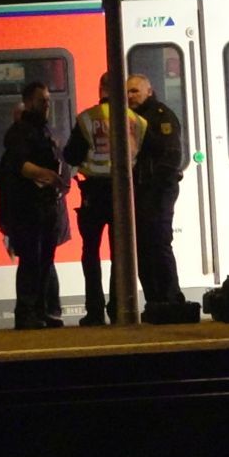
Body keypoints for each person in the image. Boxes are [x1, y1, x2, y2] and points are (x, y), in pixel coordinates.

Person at [63, 73, 147, 326]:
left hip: (94, 192)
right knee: (120, 253)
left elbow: (71, 155)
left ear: (101, 88)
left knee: (90, 252)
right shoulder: (138, 120)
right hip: (124, 193)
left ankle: (95, 310)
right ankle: (119, 307)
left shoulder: (88, 118)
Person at [0, 82, 65, 330]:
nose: (47, 104)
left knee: (45, 261)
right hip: (27, 206)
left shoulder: (43, 130)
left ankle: (41, 310)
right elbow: (20, 165)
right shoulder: (20, 132)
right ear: (28, 102)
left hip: (46, 204)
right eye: (41, 100)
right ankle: (26, 312)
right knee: (31, 260)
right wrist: (48, 175)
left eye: (48, 99)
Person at [126, 74, 186, 309]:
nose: (130, 96)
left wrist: (155, 187)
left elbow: (171, 154)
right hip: (139, 191)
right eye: (127, 92)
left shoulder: (162, 116)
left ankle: (172, 297)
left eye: (135, 91)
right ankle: (154, 300)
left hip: (159, 190)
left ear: (149, 92)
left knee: (160, 242)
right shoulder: (128, 117)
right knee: (141, 246)